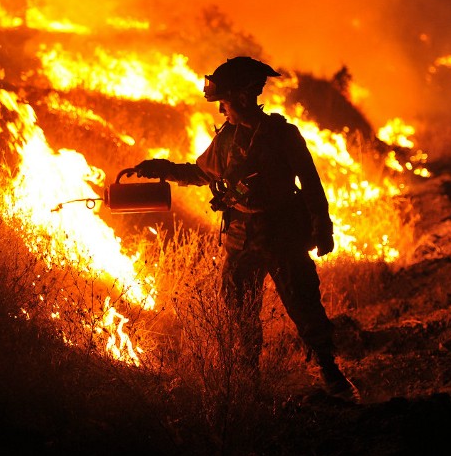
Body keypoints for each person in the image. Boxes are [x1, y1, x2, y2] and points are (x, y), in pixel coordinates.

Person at [134, 56, 358, 401]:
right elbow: (201, 174)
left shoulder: (283, 135)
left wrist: (322, 227)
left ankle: (332, 375)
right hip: (240, 238)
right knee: (240, 314)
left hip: (282, 234)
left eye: (224, 101)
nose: (221, 110)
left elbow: (311, 183)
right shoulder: (225, 139)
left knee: (304, 305)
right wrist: (161, 168)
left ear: (240, 97)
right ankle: (248, 382)